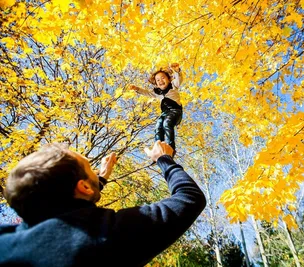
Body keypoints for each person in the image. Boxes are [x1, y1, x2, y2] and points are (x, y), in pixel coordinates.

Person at [0, 141, 206, 267]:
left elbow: (66, 208)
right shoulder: (103, 236)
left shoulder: (6, 240)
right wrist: (164, 159)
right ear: (84, 187)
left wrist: (98, 181)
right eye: (90, 167)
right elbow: (189, 198)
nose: (95, 170)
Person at [130, 63, 183, 157]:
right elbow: (147, 93)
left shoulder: (173, 86)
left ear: (169, 79)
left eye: (163, 78)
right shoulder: (157, 93)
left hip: (175, 111)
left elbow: (178, 79)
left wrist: (177, 71)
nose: (160, 81)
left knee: (167, 123)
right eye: (158, 80)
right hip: (165, 113)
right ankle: (158, 147)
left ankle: (171, 148)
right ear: (156, 83)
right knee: (158, 126)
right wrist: (136, 88)